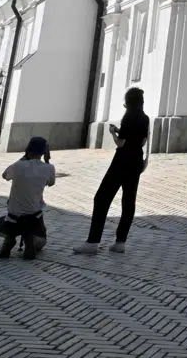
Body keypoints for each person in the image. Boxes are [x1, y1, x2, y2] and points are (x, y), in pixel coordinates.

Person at [75, 87, 149, 255]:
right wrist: (120, 132)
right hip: (136, 161)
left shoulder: (128, 116)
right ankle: (120, 242)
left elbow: (121, 143)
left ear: (128, 102)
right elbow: (142, 141)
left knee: (102, 198)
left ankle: (92, 242)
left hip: (121, 161)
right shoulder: (144, 118)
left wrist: (113, 134)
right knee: (128, 202)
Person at [0, 136, 55, 260]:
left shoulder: (17, 166)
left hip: (13, 218)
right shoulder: (48, 168)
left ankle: (10, 238)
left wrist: (25, 156)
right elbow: (51, 182)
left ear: (27, 150)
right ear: (44, 151)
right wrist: (47, 159)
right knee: (42, 240)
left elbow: (4, 175)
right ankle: (31, 240)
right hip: (34, 218)